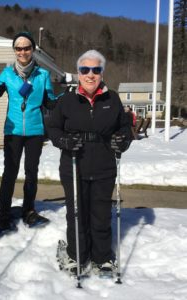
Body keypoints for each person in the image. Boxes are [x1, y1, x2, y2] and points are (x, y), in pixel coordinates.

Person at [47, 50, 132, 277]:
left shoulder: (112, 98)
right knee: (76, 214)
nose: (90, 75)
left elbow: (125, 128)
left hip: (104, 166)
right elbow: (53, 128)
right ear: (78, 73)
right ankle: (77, 255)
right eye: (85, 70)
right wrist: (63, 140)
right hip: (74, 165)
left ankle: (102, 257)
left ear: (102, 73)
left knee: (101, 214)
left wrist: (122, 140)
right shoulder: (66, 100)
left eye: (96, 70)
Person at [0, 32, 58, 234]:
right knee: (9, 173)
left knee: (31, 173)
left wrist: (68, 98)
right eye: (18, 48)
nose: (22, 51)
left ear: (33, 49)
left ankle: (29, 210)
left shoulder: (42, 75)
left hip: (35, 132)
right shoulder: (7, 74)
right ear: (14, 51)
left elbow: (50, 102)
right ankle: (4, 213)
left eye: (26, 47)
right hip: (13, 132)